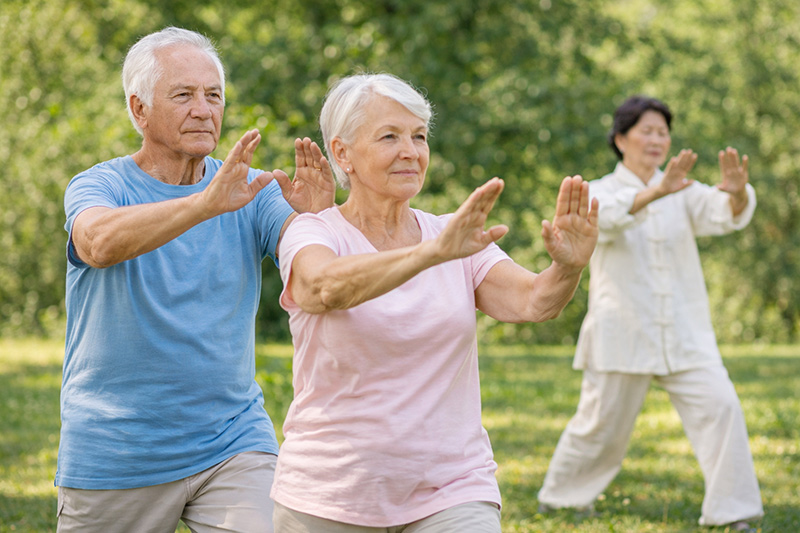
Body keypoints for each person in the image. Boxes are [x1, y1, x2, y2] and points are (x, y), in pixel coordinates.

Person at [269, 72, 599, 532]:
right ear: (343, 153)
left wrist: (568, 268)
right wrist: (429, 255)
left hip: (453, 487)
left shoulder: (452, 236)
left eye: (419, 136)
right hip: (330, 492)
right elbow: (321, 288)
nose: (411, 151)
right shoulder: (314, 231)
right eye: (390, 136)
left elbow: (534, 302)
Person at [56, 27, 334, 532]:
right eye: (183, 95)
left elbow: (322, 276)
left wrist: (323, 220)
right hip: (117, 449)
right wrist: (203, 204)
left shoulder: (253, 192)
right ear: (139, 110)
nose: (204, 109)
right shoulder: (101, 184)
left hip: (232, 441)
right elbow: (97, 244)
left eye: (213, 95)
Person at [537, 95, 763, 531]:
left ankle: (734, 513)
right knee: (601, 426)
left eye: (664, 132)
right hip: (622, 329)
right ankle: (561, 499)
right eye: (648, 131)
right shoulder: (600, 191)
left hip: (686, 334)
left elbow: (723, 215)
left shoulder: (682, 190)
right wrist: (657, 191)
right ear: (621, 139)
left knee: (722, 408)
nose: (658, 139)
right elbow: (607, 221)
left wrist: (735, 195)